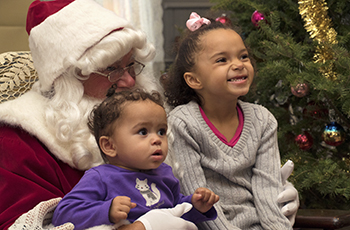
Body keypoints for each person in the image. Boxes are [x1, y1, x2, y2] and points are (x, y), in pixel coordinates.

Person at [0, 1, 297, 229]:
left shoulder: (157, 124)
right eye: (112, 69)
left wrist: (264, 196)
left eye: (132, 66)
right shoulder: (19, 142)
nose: (129, 81)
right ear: (67, 77)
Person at [163, 12, 297, 230]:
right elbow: (197, 201)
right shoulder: (182, 123)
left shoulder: (263, 120)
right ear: (194, 79)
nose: (239, 64)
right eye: (222, 60)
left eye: (243, 56)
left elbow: (267, 189)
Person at [52, 88, 219, 230]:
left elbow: (176, 211)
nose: (157, 139)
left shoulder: (165, 173)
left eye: (161, 131)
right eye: (143, 132)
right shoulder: (100, 177)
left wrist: (195, 205)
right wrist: (106, 210)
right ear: (110, 146)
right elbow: (63, 214)